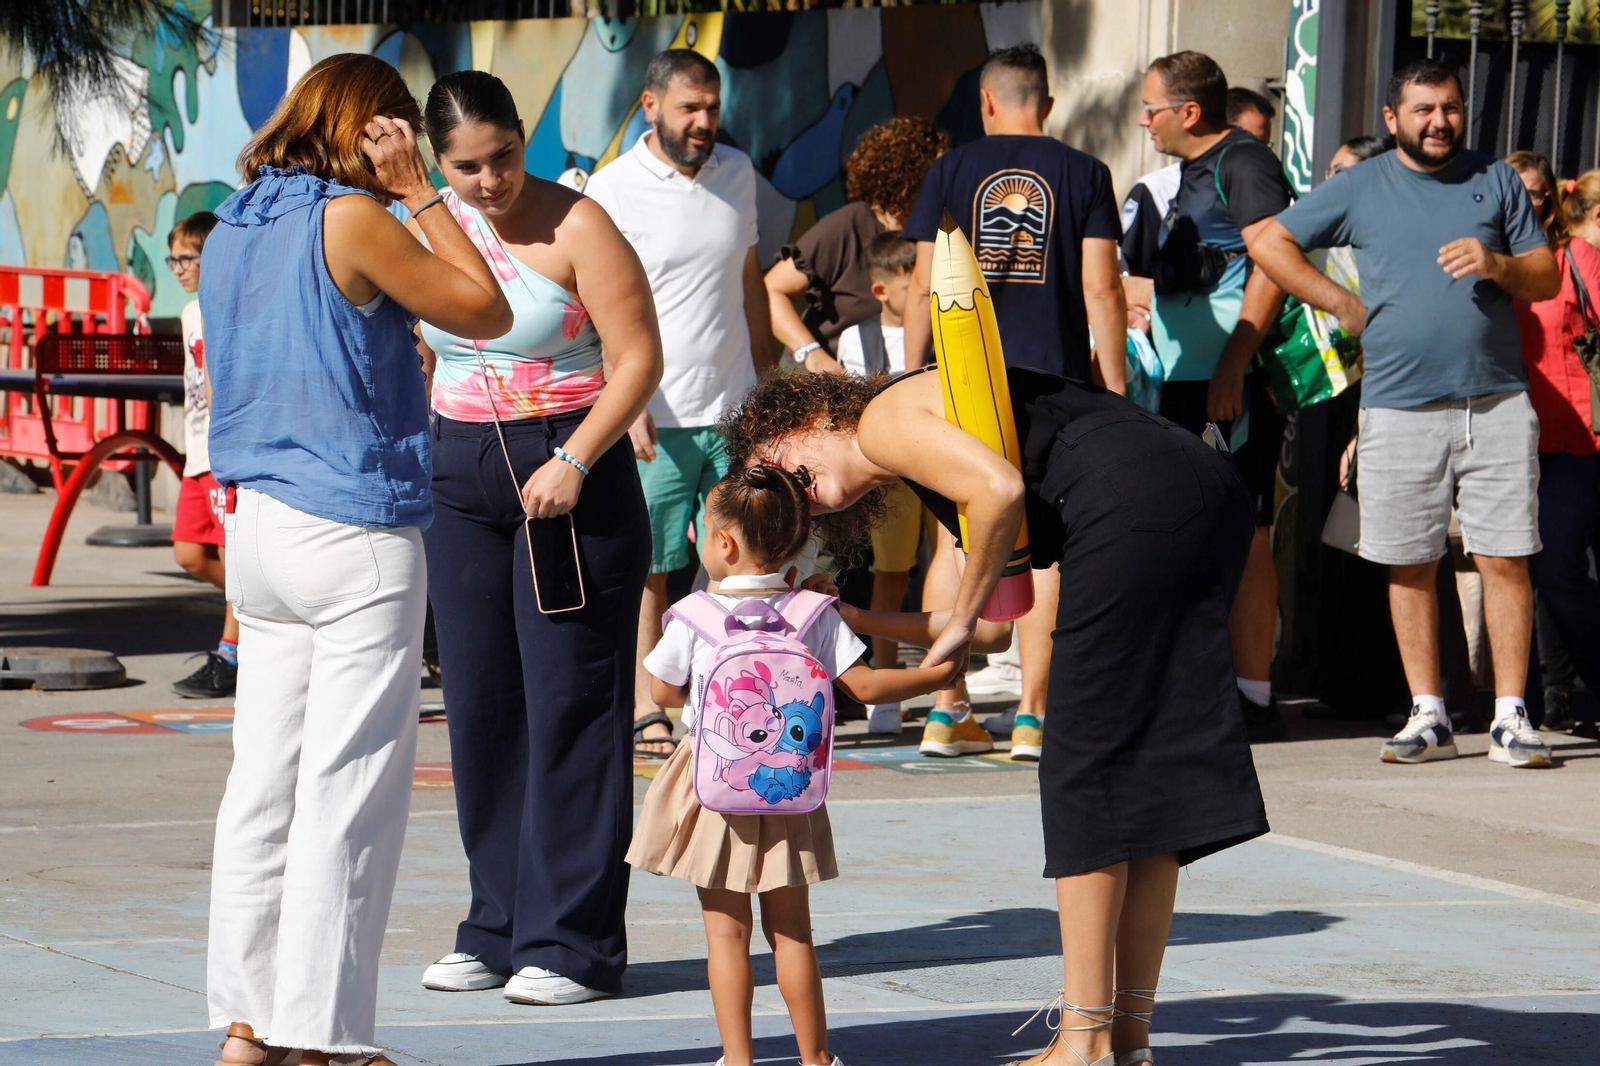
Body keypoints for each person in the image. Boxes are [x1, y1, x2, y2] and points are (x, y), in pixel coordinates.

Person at [720, 358, 1268, 1066]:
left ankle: (1083, 1039)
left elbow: (1002, 491)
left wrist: (959, 615)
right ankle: (1125, 1037)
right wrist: (854, 614)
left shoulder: (883, 420)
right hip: (1199, 488)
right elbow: (993, 630)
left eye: (780, 467)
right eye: (798, 504)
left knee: (1085, 774)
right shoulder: (926, 455)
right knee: (1142, 780)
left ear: (811, 416)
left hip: (1135, 504)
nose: (802, 497)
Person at [204, 53, 512, 1066]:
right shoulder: (356, 216)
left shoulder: (236, 223)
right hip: (351, 527)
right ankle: (323, 1039)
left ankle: (249, 1027)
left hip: (258, 528)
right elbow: (483, 309)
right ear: (369, 126)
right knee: (349, 795)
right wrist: (421, 191)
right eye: (395, 129)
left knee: (265, 788)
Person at [411, 71, 661, 1005]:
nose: (488, 181)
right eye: (466, 166)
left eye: (503, 156)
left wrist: (579, 460)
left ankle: (573, 943)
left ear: (526, 136)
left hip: (566, 474)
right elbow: (431, 342)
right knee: (480, 707)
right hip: (459, 472)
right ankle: (497, 924)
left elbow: (639, 359)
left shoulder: (580, 225)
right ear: (440, 162)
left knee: (570, 705)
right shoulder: (434, 223)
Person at [1249, 58, 1561, 769]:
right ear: (1393, 119)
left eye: (1449, 107)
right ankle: (1428, 713)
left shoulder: (1497, 180)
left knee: (1505, 556)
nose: (1439, 121)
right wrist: (1339, 304)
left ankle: (1512, 716)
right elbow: (1268, 241)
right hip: (1396, 403)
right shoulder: (1361, 184)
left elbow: (1543, 275)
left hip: (1498, 400)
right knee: (1408, 560)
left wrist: (1498, 263)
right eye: (1423, 110)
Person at [627, 465, 964, 1066]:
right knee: (793, 933)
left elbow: (661, 693)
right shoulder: (814, 612)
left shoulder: (693, 614)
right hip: (789, 791)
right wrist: (934, 676)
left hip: (715, 792)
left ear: (723, 543)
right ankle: (815, 1058)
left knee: (726, 935)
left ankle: (738, 1060)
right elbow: (866, 685)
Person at [902, 42, 1128, 763]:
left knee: (955, 535)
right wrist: (1116, 392)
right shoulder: (1086, 173)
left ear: (987, 102)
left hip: (956, 381)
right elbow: (1102, 288)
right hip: (1052, 381)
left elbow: (920, 284)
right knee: (1046, 547)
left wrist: (909, 376)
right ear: (1048, 103)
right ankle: (1032, 717)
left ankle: (947, 707)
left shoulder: (951, 169)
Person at [582, 48, 775, 762]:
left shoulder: (738, 174)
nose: (703, 123)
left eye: (712, 110)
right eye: (689, 108)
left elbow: (748, 277)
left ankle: (714, 698)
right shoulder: (612, 189)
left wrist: (767, 377)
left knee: (738, 563)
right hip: (654, 416)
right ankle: (644, 705)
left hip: (732, 410)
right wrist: (622, 397)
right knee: (652, 569)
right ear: (650, 106)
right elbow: (596, 305)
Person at [1124, 51, 1294, 742]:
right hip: (1180, 382)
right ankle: (1199, 688)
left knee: (1246, 537)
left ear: (1188, 112)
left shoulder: (1245, 163)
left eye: (1152, 108)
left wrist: (1233, 365)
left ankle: (1253, 697)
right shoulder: (1191, 172)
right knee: (1191, 532)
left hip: (1228, 384)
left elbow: (1276, 263)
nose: (1144, 121)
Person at [809, 231, 927, 733]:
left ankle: (945, 686)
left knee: (947, 569)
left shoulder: (943, 326)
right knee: (892, 575)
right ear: (882, 291)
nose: (925, 297)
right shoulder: (858, 338)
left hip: (933, 465)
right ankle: (886, 684)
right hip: (892, 476)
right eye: (914, 288)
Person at [1512, 169, 1600, 733]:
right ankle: (1552, 696)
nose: (1526, 202)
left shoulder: (1575, 257)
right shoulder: (1494, 262)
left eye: (1535, 192)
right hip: (1509, 437)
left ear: (1552, 198)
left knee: (1558, 567)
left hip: (1574, 436)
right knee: (1535, 571)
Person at [766, 117, 949, 370]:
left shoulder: (936, 233)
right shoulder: (849, 224)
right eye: (936, 174)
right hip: (820, 391)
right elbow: (772, 290)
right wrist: (814, 356)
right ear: (905, 175)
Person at [166, 211, 238, 701]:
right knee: (189, 553)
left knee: (234, 555)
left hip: (223, 451)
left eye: (187, 257)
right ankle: (262, 617)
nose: (177, 267)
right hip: (196, 454)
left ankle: (233, 652)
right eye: (172, 258)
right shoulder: (191, 311)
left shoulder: (226, 305)